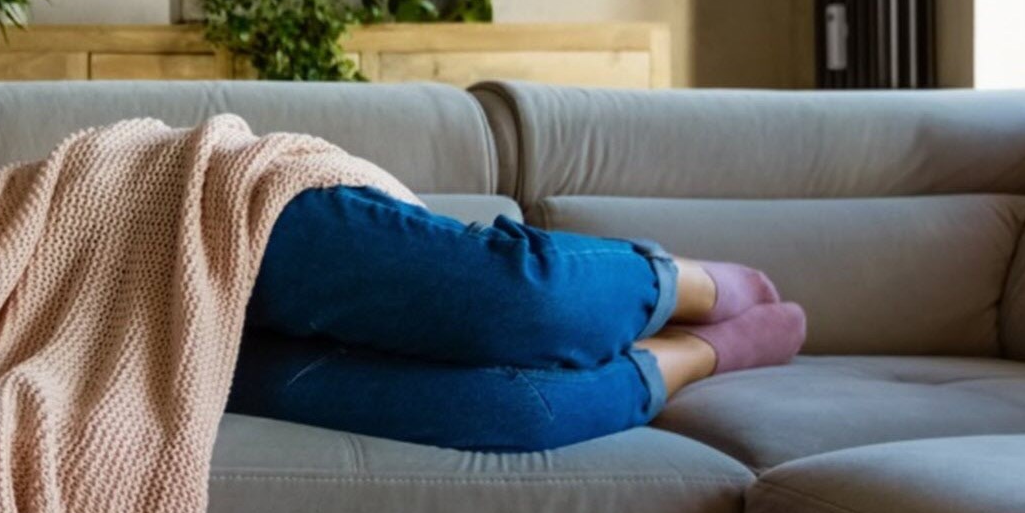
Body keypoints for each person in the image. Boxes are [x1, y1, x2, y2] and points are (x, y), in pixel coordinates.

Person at [232, 186, 807, 452]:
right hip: (168, 340)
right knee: (518, 407)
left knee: (515, 299)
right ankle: (691, 355)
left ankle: (676, 282)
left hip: (207, 214)